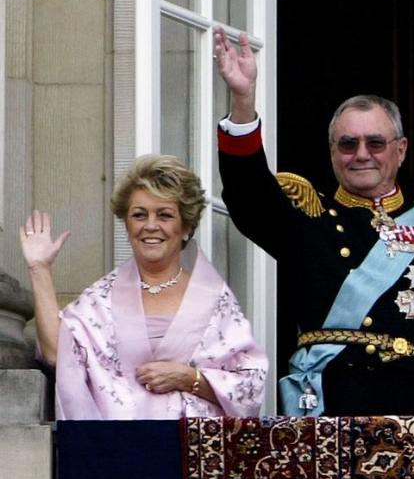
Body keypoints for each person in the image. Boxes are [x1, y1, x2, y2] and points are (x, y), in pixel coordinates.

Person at [212, 28, 414, 416]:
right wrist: (242, 100)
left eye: (375, 143)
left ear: (400, 150)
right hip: (333, 404)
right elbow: (247, 192)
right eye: (348, 144)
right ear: (332, 151)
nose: (361, 154)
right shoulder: (307, 219)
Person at [19, 155, 267, 419]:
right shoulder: (103, 298)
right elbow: (58, 353)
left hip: (193, 453)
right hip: (120, 451)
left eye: (165, 215)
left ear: (185, 226)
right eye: (139, 215)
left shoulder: (214, 300)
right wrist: (40, 269)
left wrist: (189, 378)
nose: (150, 225)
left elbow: (250, 388)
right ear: (127, 224)